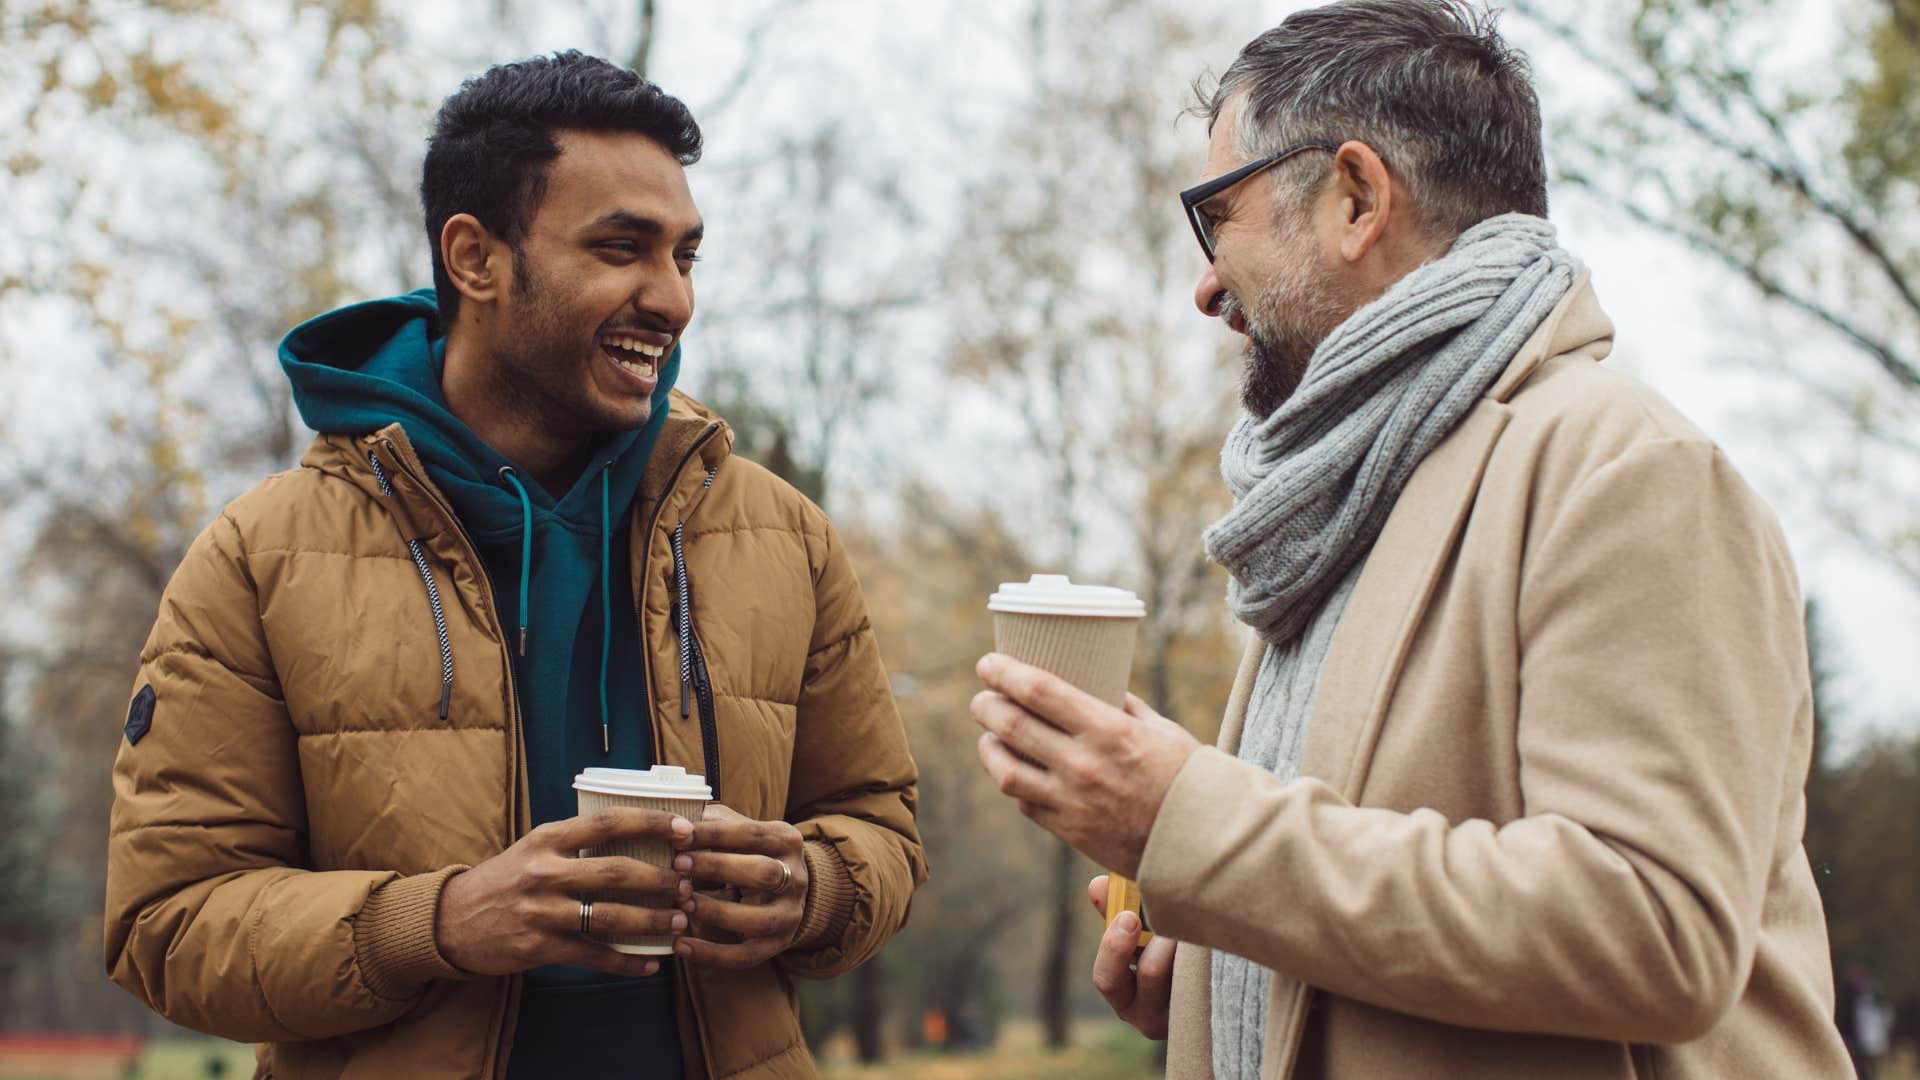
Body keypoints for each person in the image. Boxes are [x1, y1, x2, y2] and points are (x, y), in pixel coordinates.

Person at [969, 2, 1853, 1076]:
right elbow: (1368, 903)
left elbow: (1653, 928)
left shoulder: (1628, 470)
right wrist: (1217, 965)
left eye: (1217, 216)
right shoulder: (1351, 500)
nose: (1205, 283)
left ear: (1354, 196)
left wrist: (1185, 817)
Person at [104, 51, 926, 1079]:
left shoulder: (785, 539)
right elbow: (165, 925)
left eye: (686, 256)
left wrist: (817, 889)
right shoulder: (258, 560)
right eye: (622, 248)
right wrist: (440, 922)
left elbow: (880, 828)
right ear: (474, 258)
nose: (671, 300)